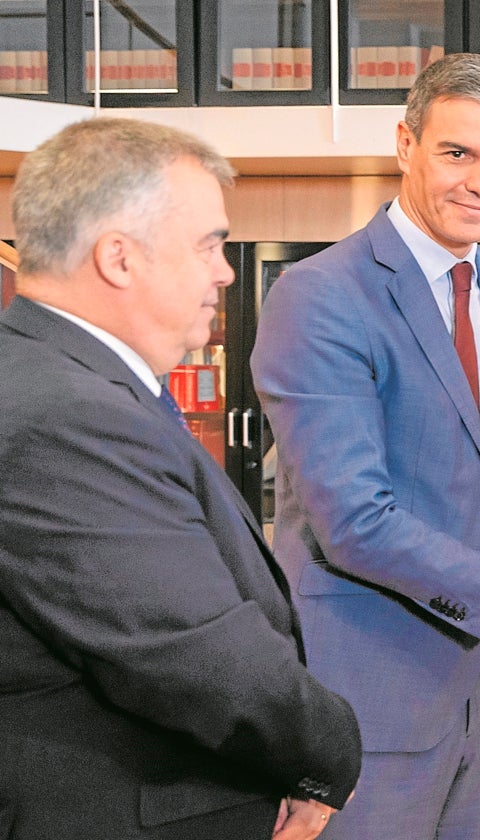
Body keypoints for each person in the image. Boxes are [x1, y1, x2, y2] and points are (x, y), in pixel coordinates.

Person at [250, 53, 480, 840]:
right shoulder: (320, 295)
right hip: (366, 696)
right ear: (405, 145)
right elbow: (355, 521)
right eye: (458, 153)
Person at [0, 117, 362, 839]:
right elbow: (194, 651)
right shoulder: (66, 417)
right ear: (119, 258)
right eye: (210, 244)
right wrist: (326, 756)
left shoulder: (63, 384)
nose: (225, 272)